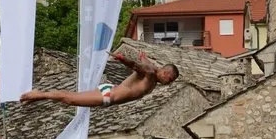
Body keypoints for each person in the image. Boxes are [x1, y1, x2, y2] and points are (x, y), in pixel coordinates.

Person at [19, 51, 179, 107]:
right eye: (170, 79)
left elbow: (143, 60)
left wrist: (141, 56)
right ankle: (38, 94)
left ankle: (41, 94)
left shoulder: (152, 68)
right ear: (165, 73)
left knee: (70, 99)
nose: (169, 83)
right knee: (70, 99)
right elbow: (137, 66)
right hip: (108, 96)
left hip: (109, 94)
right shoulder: (151, 73)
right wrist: (123, 60)